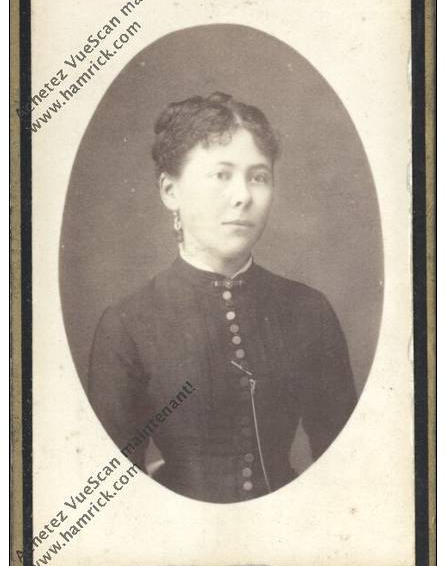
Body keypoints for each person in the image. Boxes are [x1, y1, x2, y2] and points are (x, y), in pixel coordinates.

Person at [88, 92, 357, 503]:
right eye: (221, 175)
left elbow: (347, 476)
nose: (243, 196)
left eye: (258, 176)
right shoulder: (128, 324)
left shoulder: (309, 311)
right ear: (169, 191)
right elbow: (111, 498)